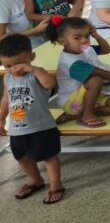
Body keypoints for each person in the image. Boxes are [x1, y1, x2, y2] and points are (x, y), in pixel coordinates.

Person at [0, 32, 63, 204]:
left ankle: (56, 185)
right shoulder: (8, 77)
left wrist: (34, 69)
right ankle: (35, 180)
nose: (14, 69)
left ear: (31, 57)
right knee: (21, 157)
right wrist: (1, 119)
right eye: (7, 65)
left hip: (41, 126)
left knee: (49, 156)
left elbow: (50, 84)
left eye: (18, 63)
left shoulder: (37, 74)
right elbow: (6, 99)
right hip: (17, 128)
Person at [51, 17, 110, 129]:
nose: (84, 40)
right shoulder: (70, 61)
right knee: (95, 80)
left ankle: (77, 115)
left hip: (85, 96)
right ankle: (87, 115)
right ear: (62, 41)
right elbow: (100, 73)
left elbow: (106, 50)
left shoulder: (83, 50)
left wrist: (96, 36)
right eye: (77, 37)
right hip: (71, 101)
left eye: (87, 36)